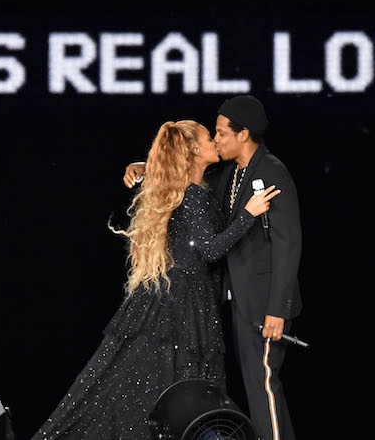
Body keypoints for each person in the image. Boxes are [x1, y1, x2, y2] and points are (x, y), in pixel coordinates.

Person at [31, 120, 280, 440]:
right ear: (194, 148)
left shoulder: (185, 187)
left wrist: (141, 166)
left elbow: (166, 171)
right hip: (182, 307)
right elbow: (209, 250)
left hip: (172, 302)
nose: (216, 142)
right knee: (181, 396)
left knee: (158, 391)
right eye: (209, 137)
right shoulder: (192, 196)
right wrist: (250, 212)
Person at [123, 95, 302, 440]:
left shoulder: (271, 172)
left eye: (221, 133)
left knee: (264, 387)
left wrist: (278, 310)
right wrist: (145, 167)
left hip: (265, 306)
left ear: (244, 134)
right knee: (254, 387)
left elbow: (288, 245)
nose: (216, 140)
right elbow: (182, 172)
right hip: (241, 303)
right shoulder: (231, 175)